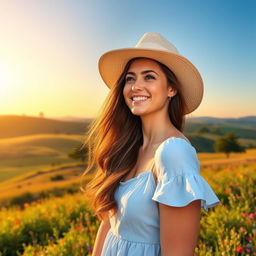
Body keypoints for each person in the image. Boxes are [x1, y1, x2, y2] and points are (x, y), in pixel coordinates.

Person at [82, 32, 220, 256]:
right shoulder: (127, 147)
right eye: (130, 78)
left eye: (149, 77)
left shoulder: (174, 153)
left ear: (171, 89)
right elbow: (110, 223)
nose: (136, 86)